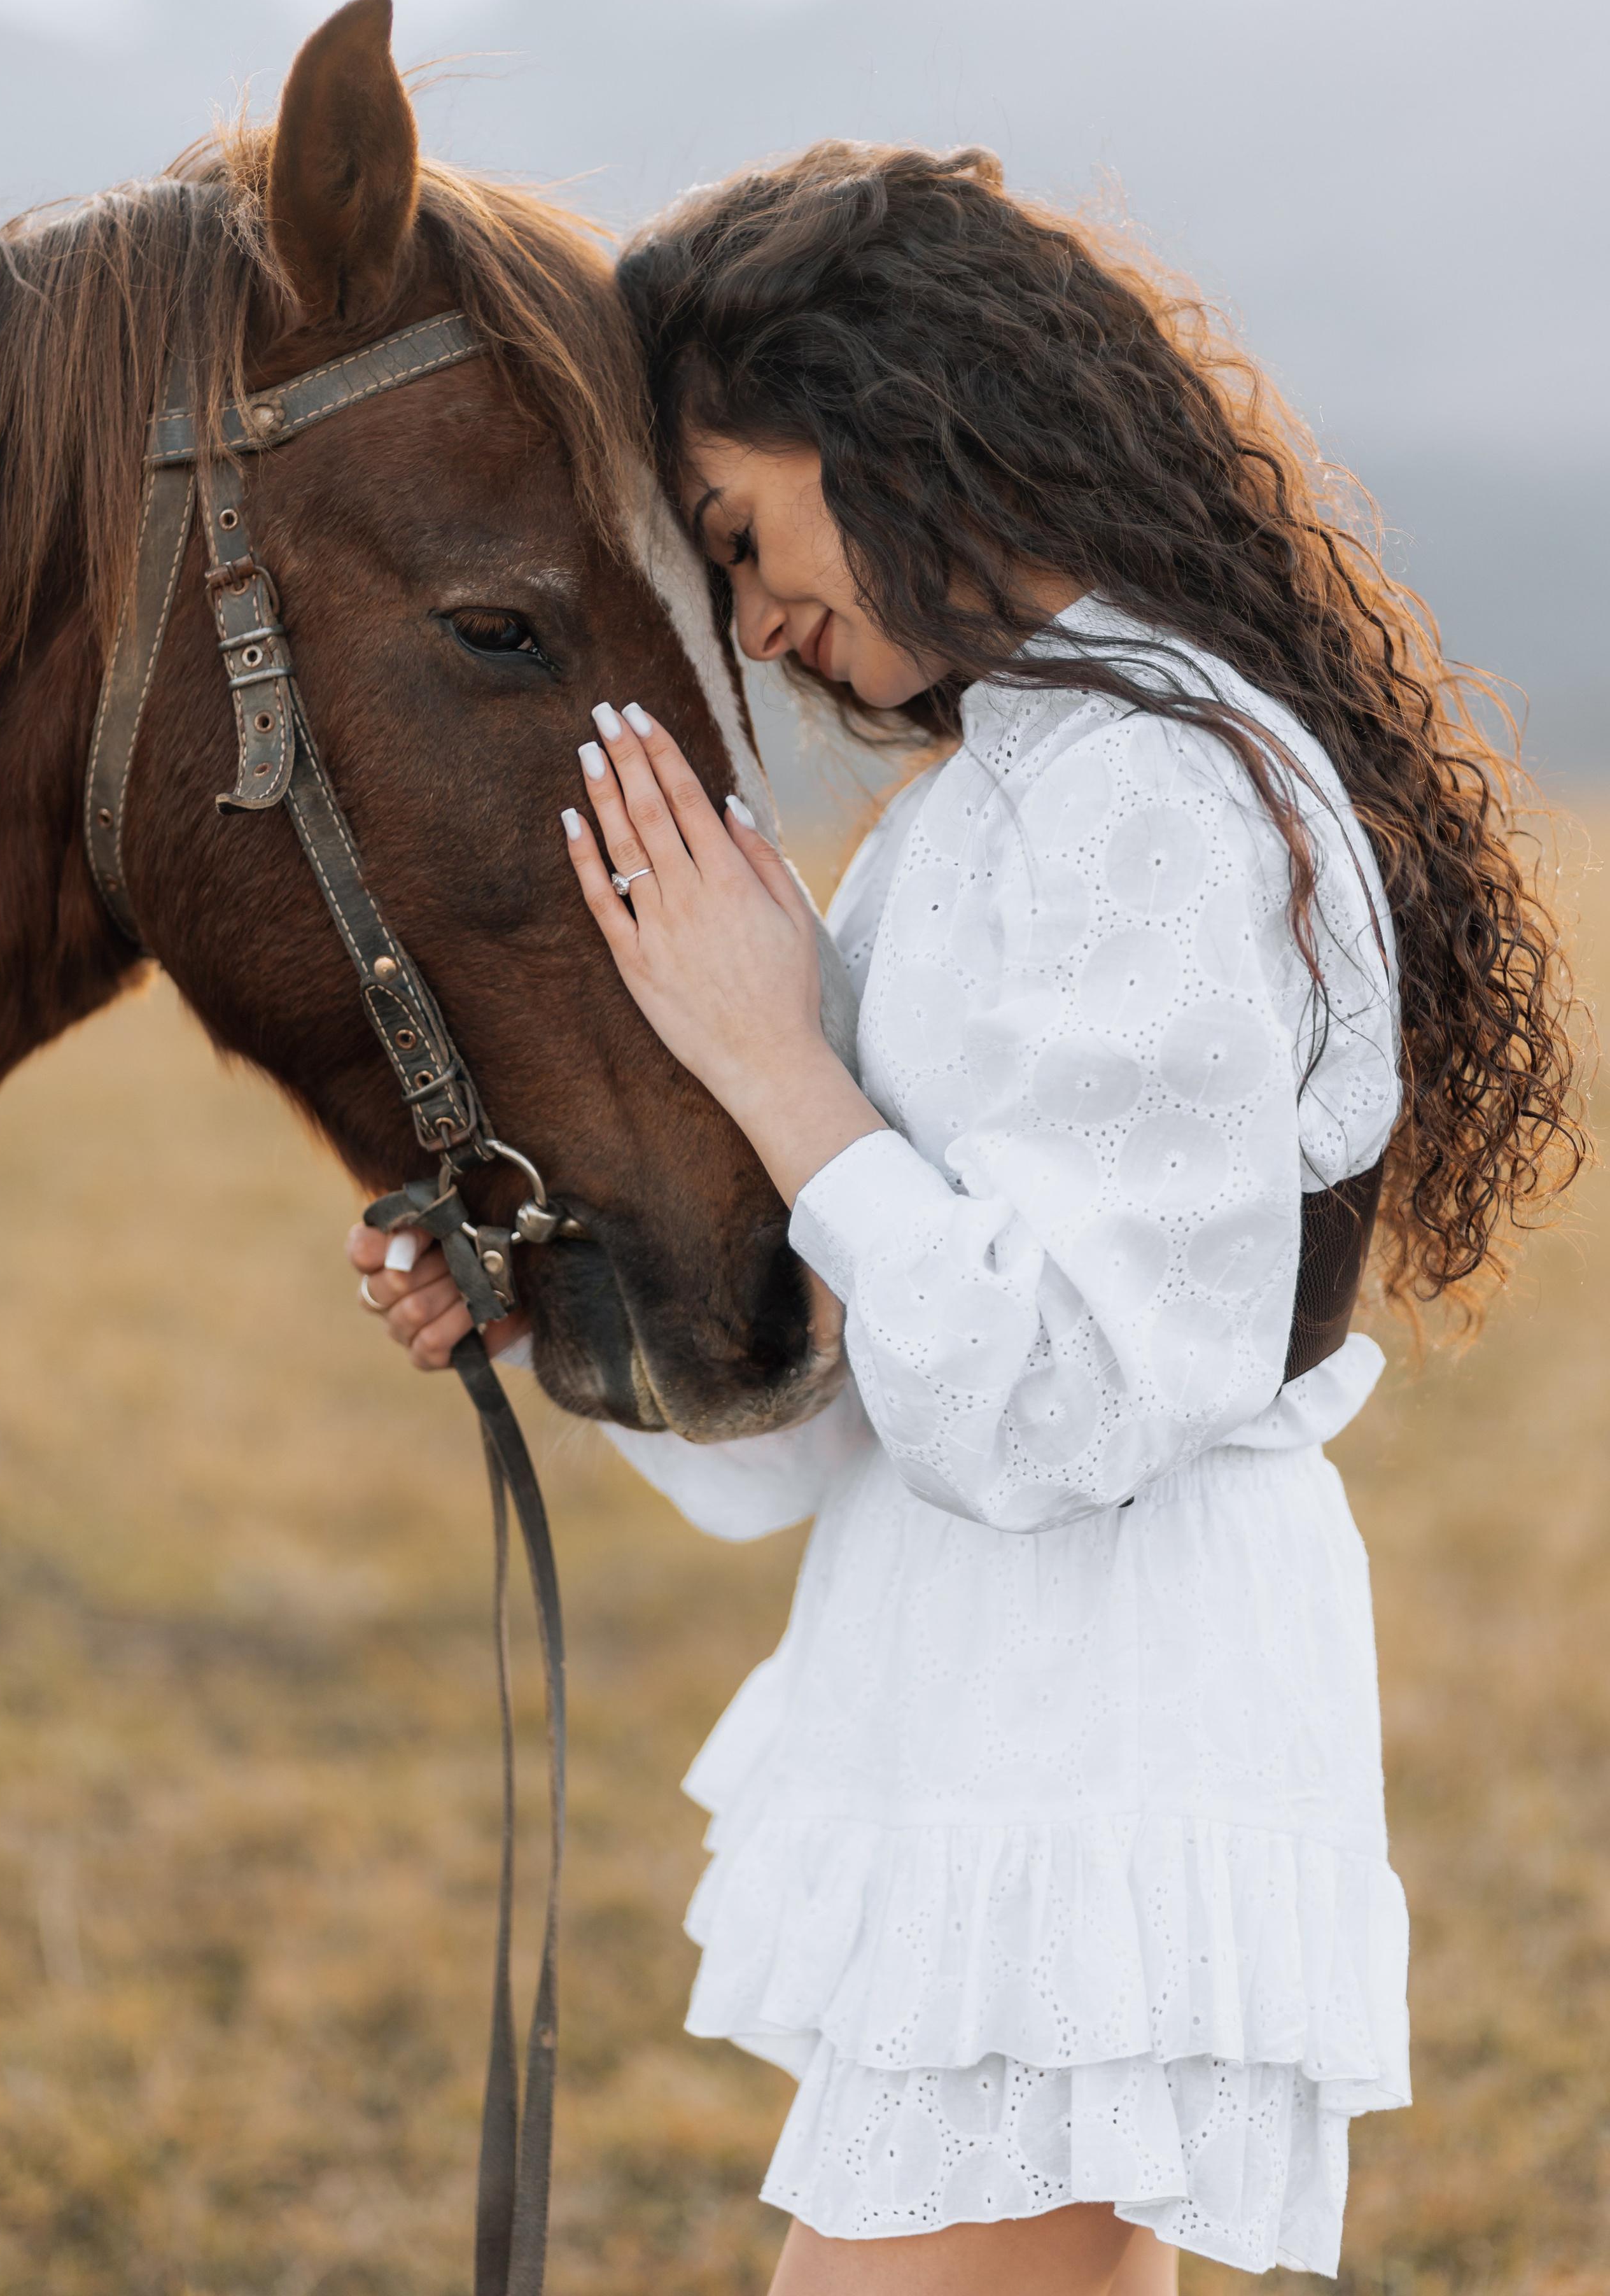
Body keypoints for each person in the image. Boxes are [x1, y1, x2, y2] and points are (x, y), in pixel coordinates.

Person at [349, 145, 1581, 2293]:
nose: (753, 623)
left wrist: (775, 1059)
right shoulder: (1002, 793)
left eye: (740, 533)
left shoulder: (1150, 791)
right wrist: (551, 1313)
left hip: (1102, 1723)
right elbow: (874, 1402)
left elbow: (1062, 1403)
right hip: (992, 1700)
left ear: (894, 420)